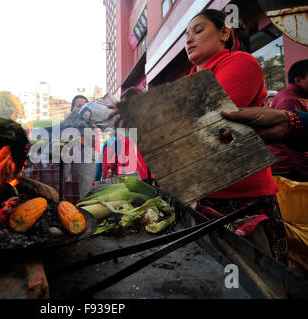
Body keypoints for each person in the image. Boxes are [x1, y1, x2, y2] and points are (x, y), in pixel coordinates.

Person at [107, 9, 288, 266]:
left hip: (244, 200)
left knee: (256, 281)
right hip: (200, 198)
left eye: (198, 30)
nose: (189, 40)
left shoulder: (241, 62)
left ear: (224, 33)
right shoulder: (189, 79)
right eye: (186, 35)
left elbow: (211, 117)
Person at [266, 59, 308, 182]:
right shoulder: (289, 100)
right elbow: (291, 143)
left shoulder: (299, 97)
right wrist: (306, 172)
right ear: (298, 80)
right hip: (289, 168)